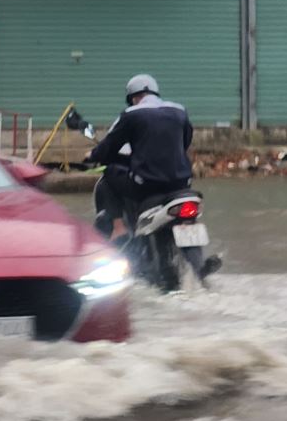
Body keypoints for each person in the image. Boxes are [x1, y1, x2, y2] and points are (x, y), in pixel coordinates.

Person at [85, 74, 218, 282]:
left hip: (147, 187)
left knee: (109, 171)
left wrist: (92, 156)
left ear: (133, 97)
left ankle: (119, 230)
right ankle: (199, 267)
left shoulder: (131, 115)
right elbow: (185, 142)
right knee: (188, 221)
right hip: (182, 185)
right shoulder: (179, 111)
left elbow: (109, 148)